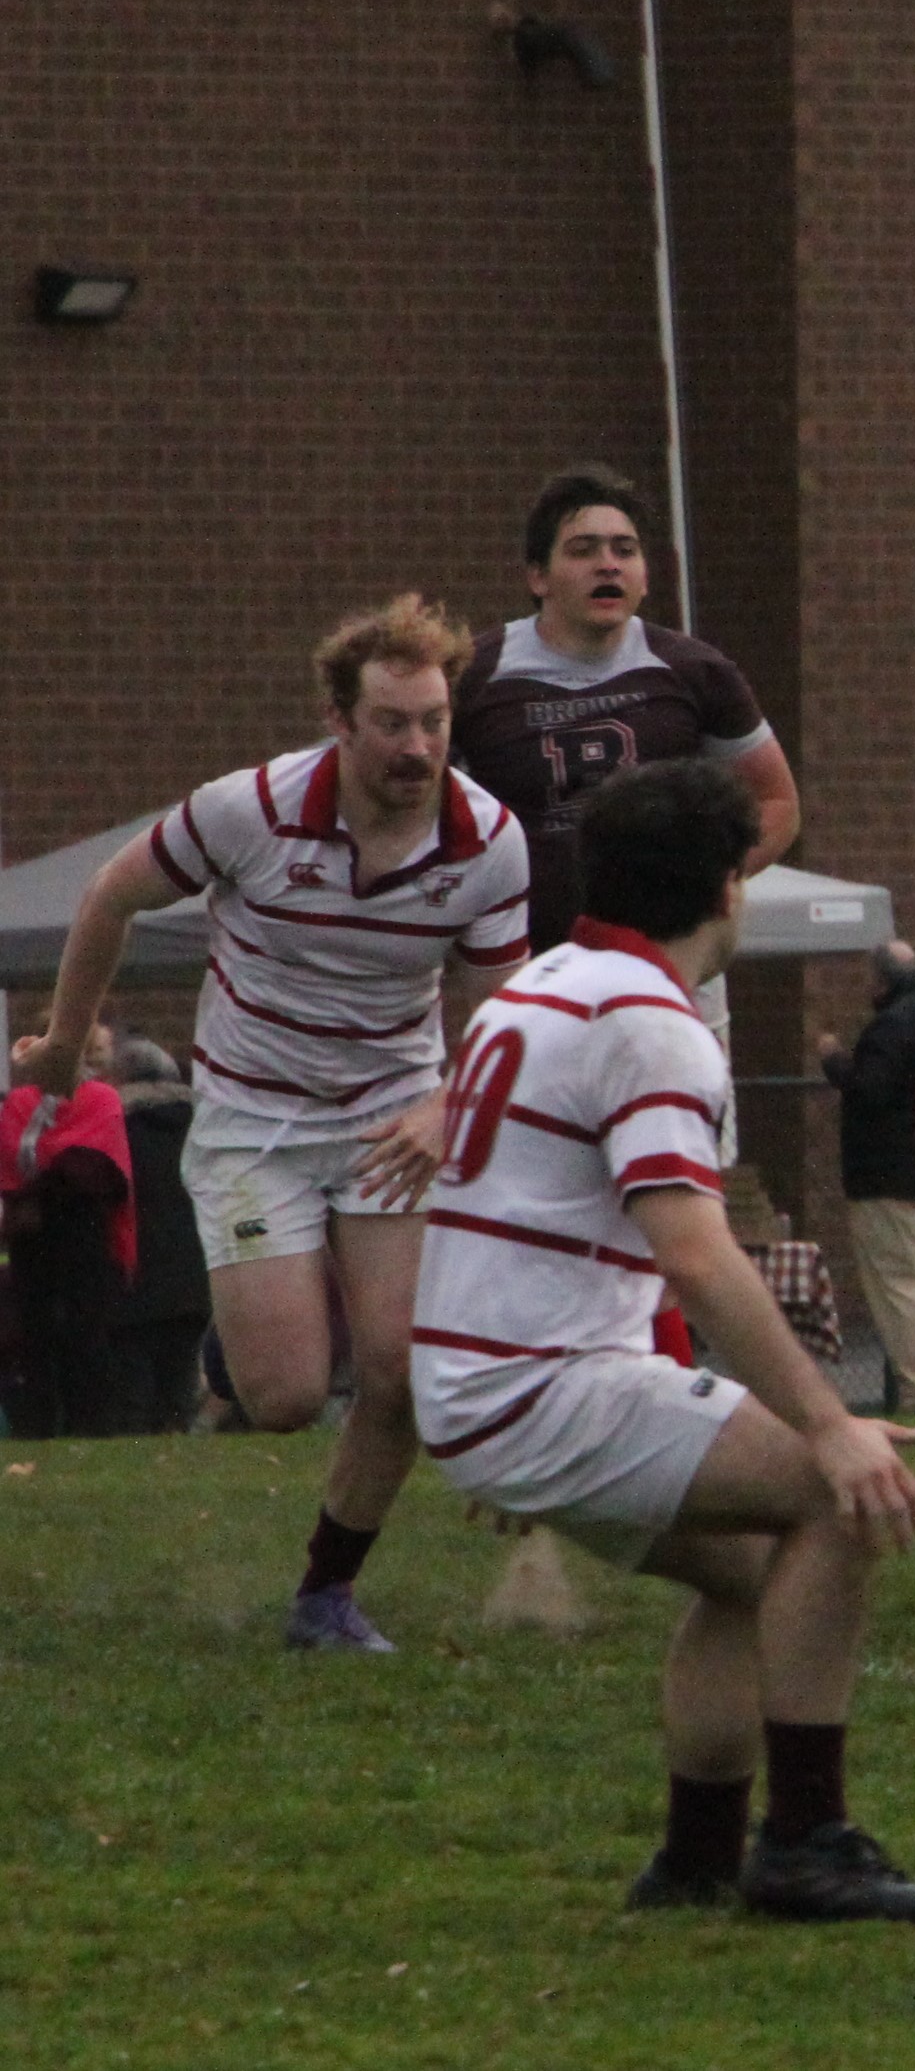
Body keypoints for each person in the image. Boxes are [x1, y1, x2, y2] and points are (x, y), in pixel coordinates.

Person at [414, 759, 915, 1921]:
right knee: (835, 1494)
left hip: (491, 1381)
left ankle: (696, 1861)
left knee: (762, 1574)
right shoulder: (646, 1018)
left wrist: (489, 1407)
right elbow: (698, 1253)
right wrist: (831, 1426)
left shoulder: (538, 984)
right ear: (730, 883)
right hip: (539, 1385)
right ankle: (806, 1842)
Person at [11, 596, 533, 1646]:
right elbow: (112, 896)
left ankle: (325, 1596)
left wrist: (444, 1105)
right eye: (392, 721)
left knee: (396, 1370)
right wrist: (68, 1048)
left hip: (390, 1114)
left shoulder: (488, 843)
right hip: (253, 1119)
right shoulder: (249, 808)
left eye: (433, 720)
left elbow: (502, 1013)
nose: (417, 746)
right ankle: (242, 1334)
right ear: (339, 719)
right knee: (288, 1393)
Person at [450, 463, 805, 1151]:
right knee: (540, 1169)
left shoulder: (697, 672)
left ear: (645, 574)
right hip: (531, 974)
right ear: (537, 576)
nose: (607, 565)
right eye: (583, 550)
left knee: (676, 1166)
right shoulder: (475, 674)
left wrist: (702, 881)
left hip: (669, 972)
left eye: (625, 549)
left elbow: (778, 801)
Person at [821, 941, 915, 1410]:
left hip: (886, 1175)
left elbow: (871, 1091)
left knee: (899, 1285)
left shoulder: (892, 1025)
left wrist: (835, 1060)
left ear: (883, 981)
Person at [1, 1021, 133, 1438]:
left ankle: (90, 1427)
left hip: (84, 1233)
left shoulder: (100, 1099)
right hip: (32, 1236)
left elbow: (100, 1167)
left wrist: (40, 1188)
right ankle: (37, 1428)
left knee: (86, 1338)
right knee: (32, 1338)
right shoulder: (21, 1103)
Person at [107, 1036, 211, 1433]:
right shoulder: (200, 1124)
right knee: (180, 1376)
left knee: (133, 1383)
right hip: (192, 1271)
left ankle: (136, 1449)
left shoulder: (115, 1125)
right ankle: (177, 1442)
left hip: (133, 1271)